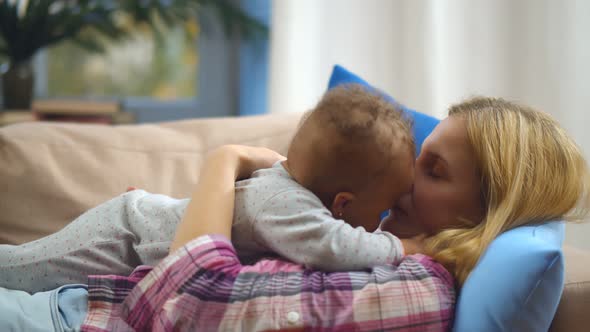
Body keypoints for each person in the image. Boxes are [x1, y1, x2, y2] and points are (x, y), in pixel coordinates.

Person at [1, 96, 588, 331]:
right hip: (81, 296)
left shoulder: (422, 290)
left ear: (488, 208)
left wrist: (221, 165)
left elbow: (187, 297)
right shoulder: (379, 242)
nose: (405, 178)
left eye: (433, 170)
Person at [0, 84, 420, 293]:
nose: (382, 224)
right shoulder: (289, 205)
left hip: (136, 230)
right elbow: (335, 247)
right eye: (383, 211)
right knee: (18, 270)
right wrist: (411, 248)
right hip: (121, 237)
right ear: (342, 203)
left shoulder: (291, 191)